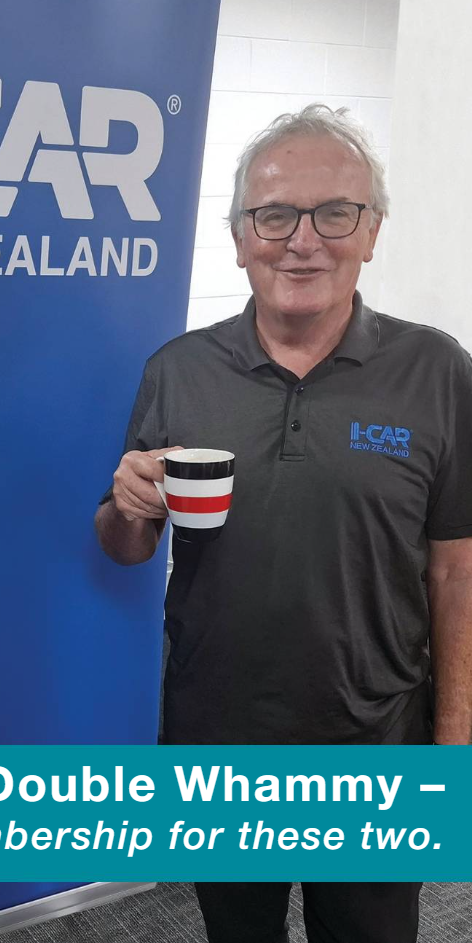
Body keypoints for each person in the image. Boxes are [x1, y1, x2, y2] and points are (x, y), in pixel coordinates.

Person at [95, 104, 472, 943]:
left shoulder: (436, 371)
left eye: (334, 212)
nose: (302, 240)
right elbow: (126, 548)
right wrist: (123, 507)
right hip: (217, 745)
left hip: (375, 748)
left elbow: (456, 571)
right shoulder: (179, 371)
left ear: (371, 230)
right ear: (238, 236)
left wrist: (453, 752)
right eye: (272, 215)